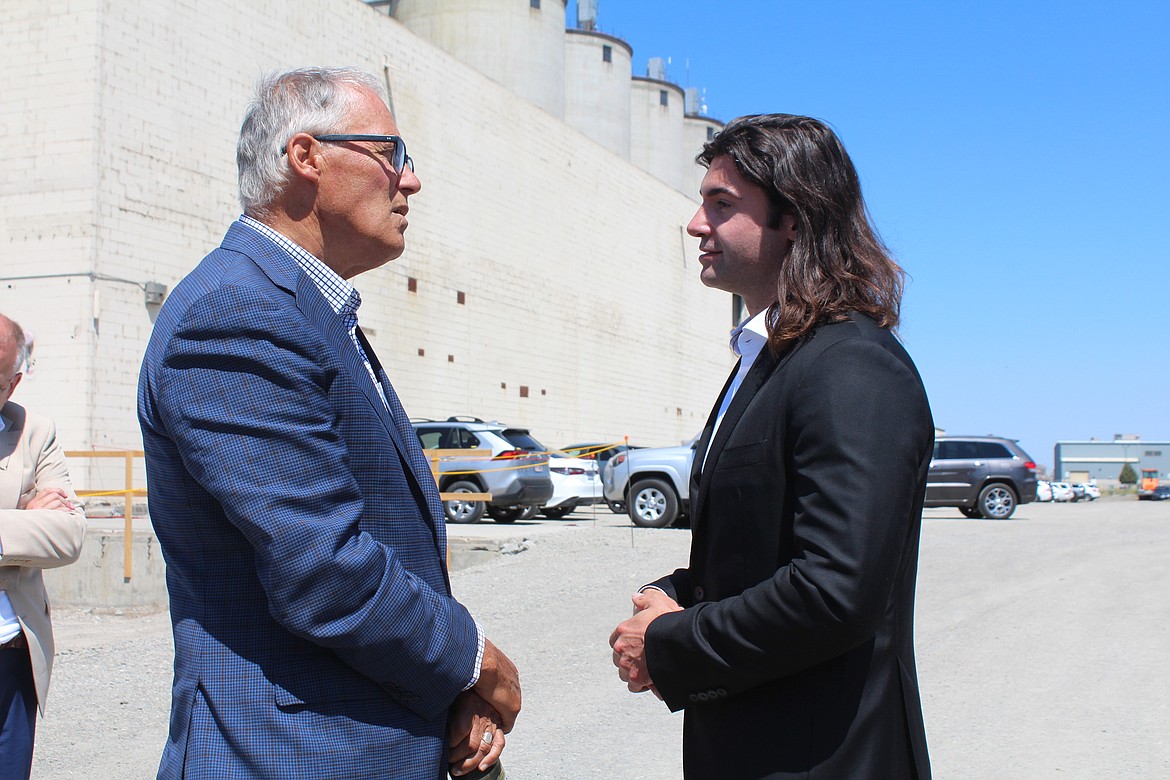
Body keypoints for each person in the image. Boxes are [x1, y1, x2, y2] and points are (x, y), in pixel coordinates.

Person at [138, 67, 519, 780]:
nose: (410, 182)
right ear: (306, 158)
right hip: (291, 756)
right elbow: (325, 569)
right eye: (391, 155)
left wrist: (444, 692)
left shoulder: (307, 312)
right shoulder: (235, 315)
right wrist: (473, 662)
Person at [609, 114, 934, 779]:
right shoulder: (767, 361)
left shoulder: (852, 368)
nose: (697, 225)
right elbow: (766, 545)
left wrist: (671, 642)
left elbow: (835, 590)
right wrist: (675, 593)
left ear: (795, 219)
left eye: (721, 205)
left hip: (826, 758)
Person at [0, 313, 87, 780]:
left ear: (12, 384)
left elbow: (70, 535)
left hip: (13, 657)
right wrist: (24, 521)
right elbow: (43, 535)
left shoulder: (36, 432)